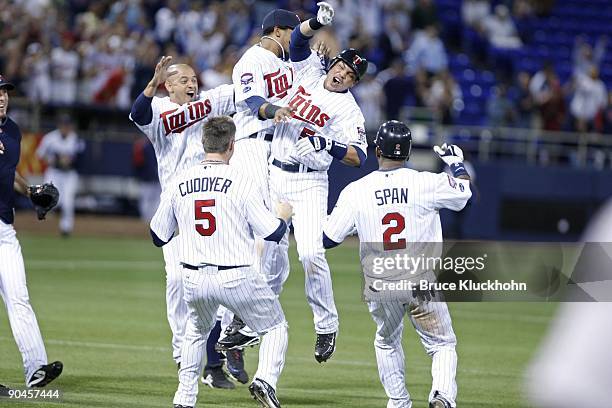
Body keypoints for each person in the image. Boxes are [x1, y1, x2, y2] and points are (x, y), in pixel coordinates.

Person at [323, 120, 472, 408]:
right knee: (442, 344)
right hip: (420, 279)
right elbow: (463, 193)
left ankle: (399, 401)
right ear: (408, 153)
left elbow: (329, 239)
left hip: (380, 283)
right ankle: (442, 395)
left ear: (377, 149)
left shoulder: (356, 191)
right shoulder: (426, 181)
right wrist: (455, 163)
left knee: (387, 341)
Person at [150, 116, 291, 408]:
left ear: (203, 143)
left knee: (195, 331)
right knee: (276, 328)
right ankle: (265, 380)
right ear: (231, 145)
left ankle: (184, 397)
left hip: (193, 277)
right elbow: (272, 233)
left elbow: (157, 235)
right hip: (237, 276)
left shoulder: (180, 180)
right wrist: (284, 216)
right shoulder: (241, 180)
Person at [263, 2, 368, 363]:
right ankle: (247, 324)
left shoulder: (349, 110)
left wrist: (331, 145)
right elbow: (295, 45)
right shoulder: (310, 71)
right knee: (266, 253)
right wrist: (316, 22)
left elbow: (359, 156)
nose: (342, 75)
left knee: (310, 253)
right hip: (276, 172)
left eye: (350, 76)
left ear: (353, 83)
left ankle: (326, 325)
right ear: (334, 62)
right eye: (341, 66)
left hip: (310, 184)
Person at [129, 56, 236, 388]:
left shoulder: (211, 100)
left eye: (194, 79)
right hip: (177, 209)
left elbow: (248, 87)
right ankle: (182, 354)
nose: (192, 83)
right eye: (184, 79)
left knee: (226, 282)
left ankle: (219, 348)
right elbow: (137, 114)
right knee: (177, 280)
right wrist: (150, 86)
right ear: (168, 85)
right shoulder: (159, 110)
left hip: (214, 206)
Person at [215, 8, 301, 380]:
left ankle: (239, 328)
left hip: (280, 152)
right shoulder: (253, 57)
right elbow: (250, 100)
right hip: (251, 146)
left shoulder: (289, 65)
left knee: (280, 254)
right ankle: (229, 328)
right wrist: (274, 109)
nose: (295, 36)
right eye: (292, 31)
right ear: (279, 31)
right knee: (261, 234)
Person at [0, 75, 63, 389]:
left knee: (19, 297)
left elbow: (9, 172)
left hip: (4, 228)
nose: (1, 98)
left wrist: (29, 191)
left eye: (4, 92)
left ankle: (35, 369)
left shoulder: (11, 130)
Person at [36, 114, 84, 237]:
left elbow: (80, 156)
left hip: (69, 174)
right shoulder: (50, 138)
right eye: (63, 125)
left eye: (67, 125)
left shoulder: (76, 139)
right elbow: (40, 154)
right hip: (54, 172)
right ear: (59, 125)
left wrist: (70, 160)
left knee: (68, 202)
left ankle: (66, 228)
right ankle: (43, 226)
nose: (65, 127)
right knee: (52, 200)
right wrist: (52, 160)